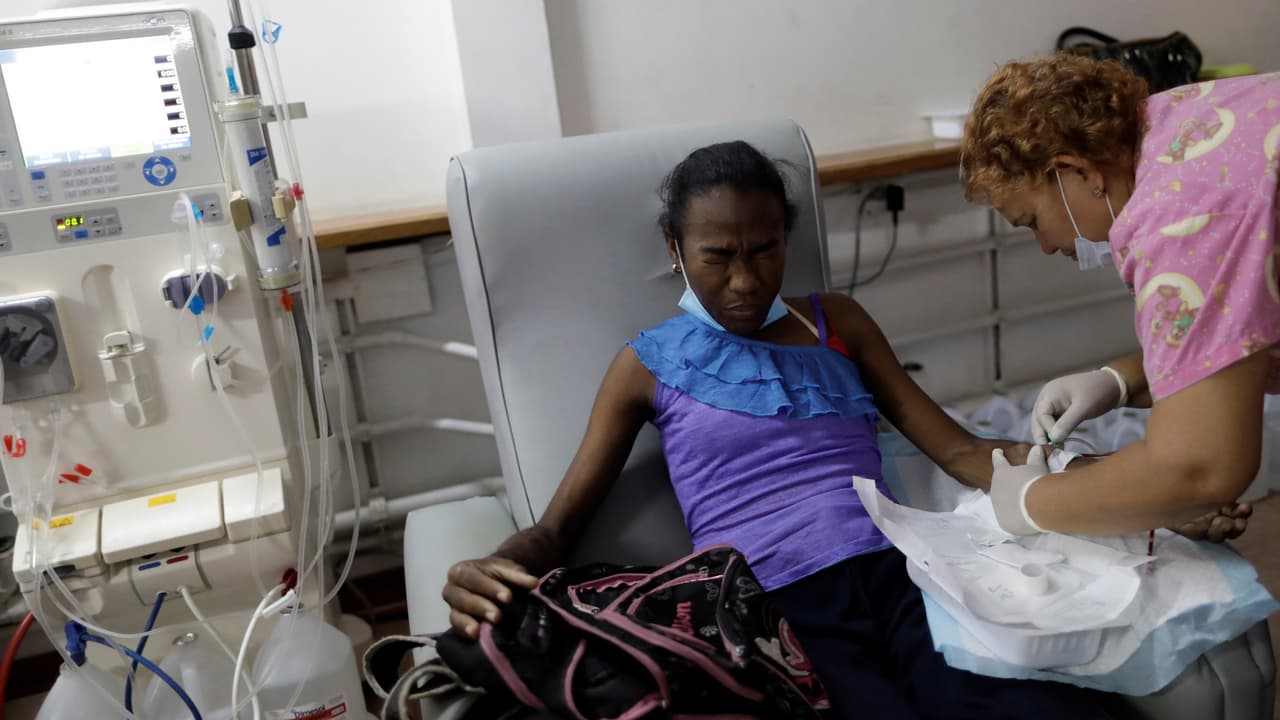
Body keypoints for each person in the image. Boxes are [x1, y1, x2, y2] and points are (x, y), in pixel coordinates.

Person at [441, 140, 1115, 719]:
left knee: (1033, 705)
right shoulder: (645, 365)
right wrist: (493, 568)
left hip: (901, 571)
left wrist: (1086, 473)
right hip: (774, 607)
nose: (745, 280)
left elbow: (961, 449)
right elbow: (557, 529)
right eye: (717, 256)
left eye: (765, 250)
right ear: (675, 250)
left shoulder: (837, 323)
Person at [961, 54, 1275, 537]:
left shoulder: (1181, 219)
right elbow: (1243, 323)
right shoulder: (1185, 120)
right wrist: (1124, 379)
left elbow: (1199, 467)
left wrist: (1031, 503)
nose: (1046, 246)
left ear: (1077, 171)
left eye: (1032, 222)